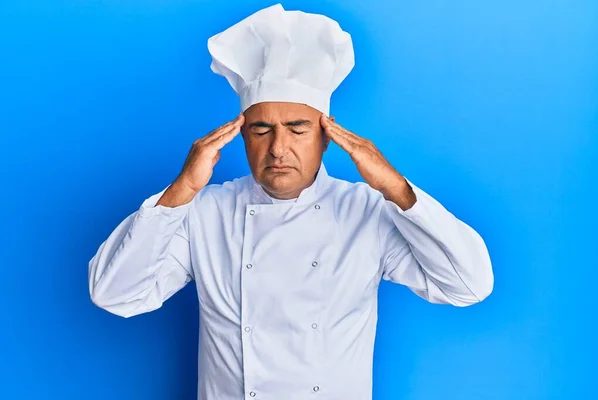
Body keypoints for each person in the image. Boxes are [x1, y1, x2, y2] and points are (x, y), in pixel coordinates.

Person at [88, 4, 494, 399]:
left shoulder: (367, 211)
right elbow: (114, 293)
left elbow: (467, 286)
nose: (278, 148)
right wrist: (180, 191)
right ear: (241, 136)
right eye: (262, 129)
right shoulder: (205, 213)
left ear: (326, 136)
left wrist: (396, 189)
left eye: (297, 128)